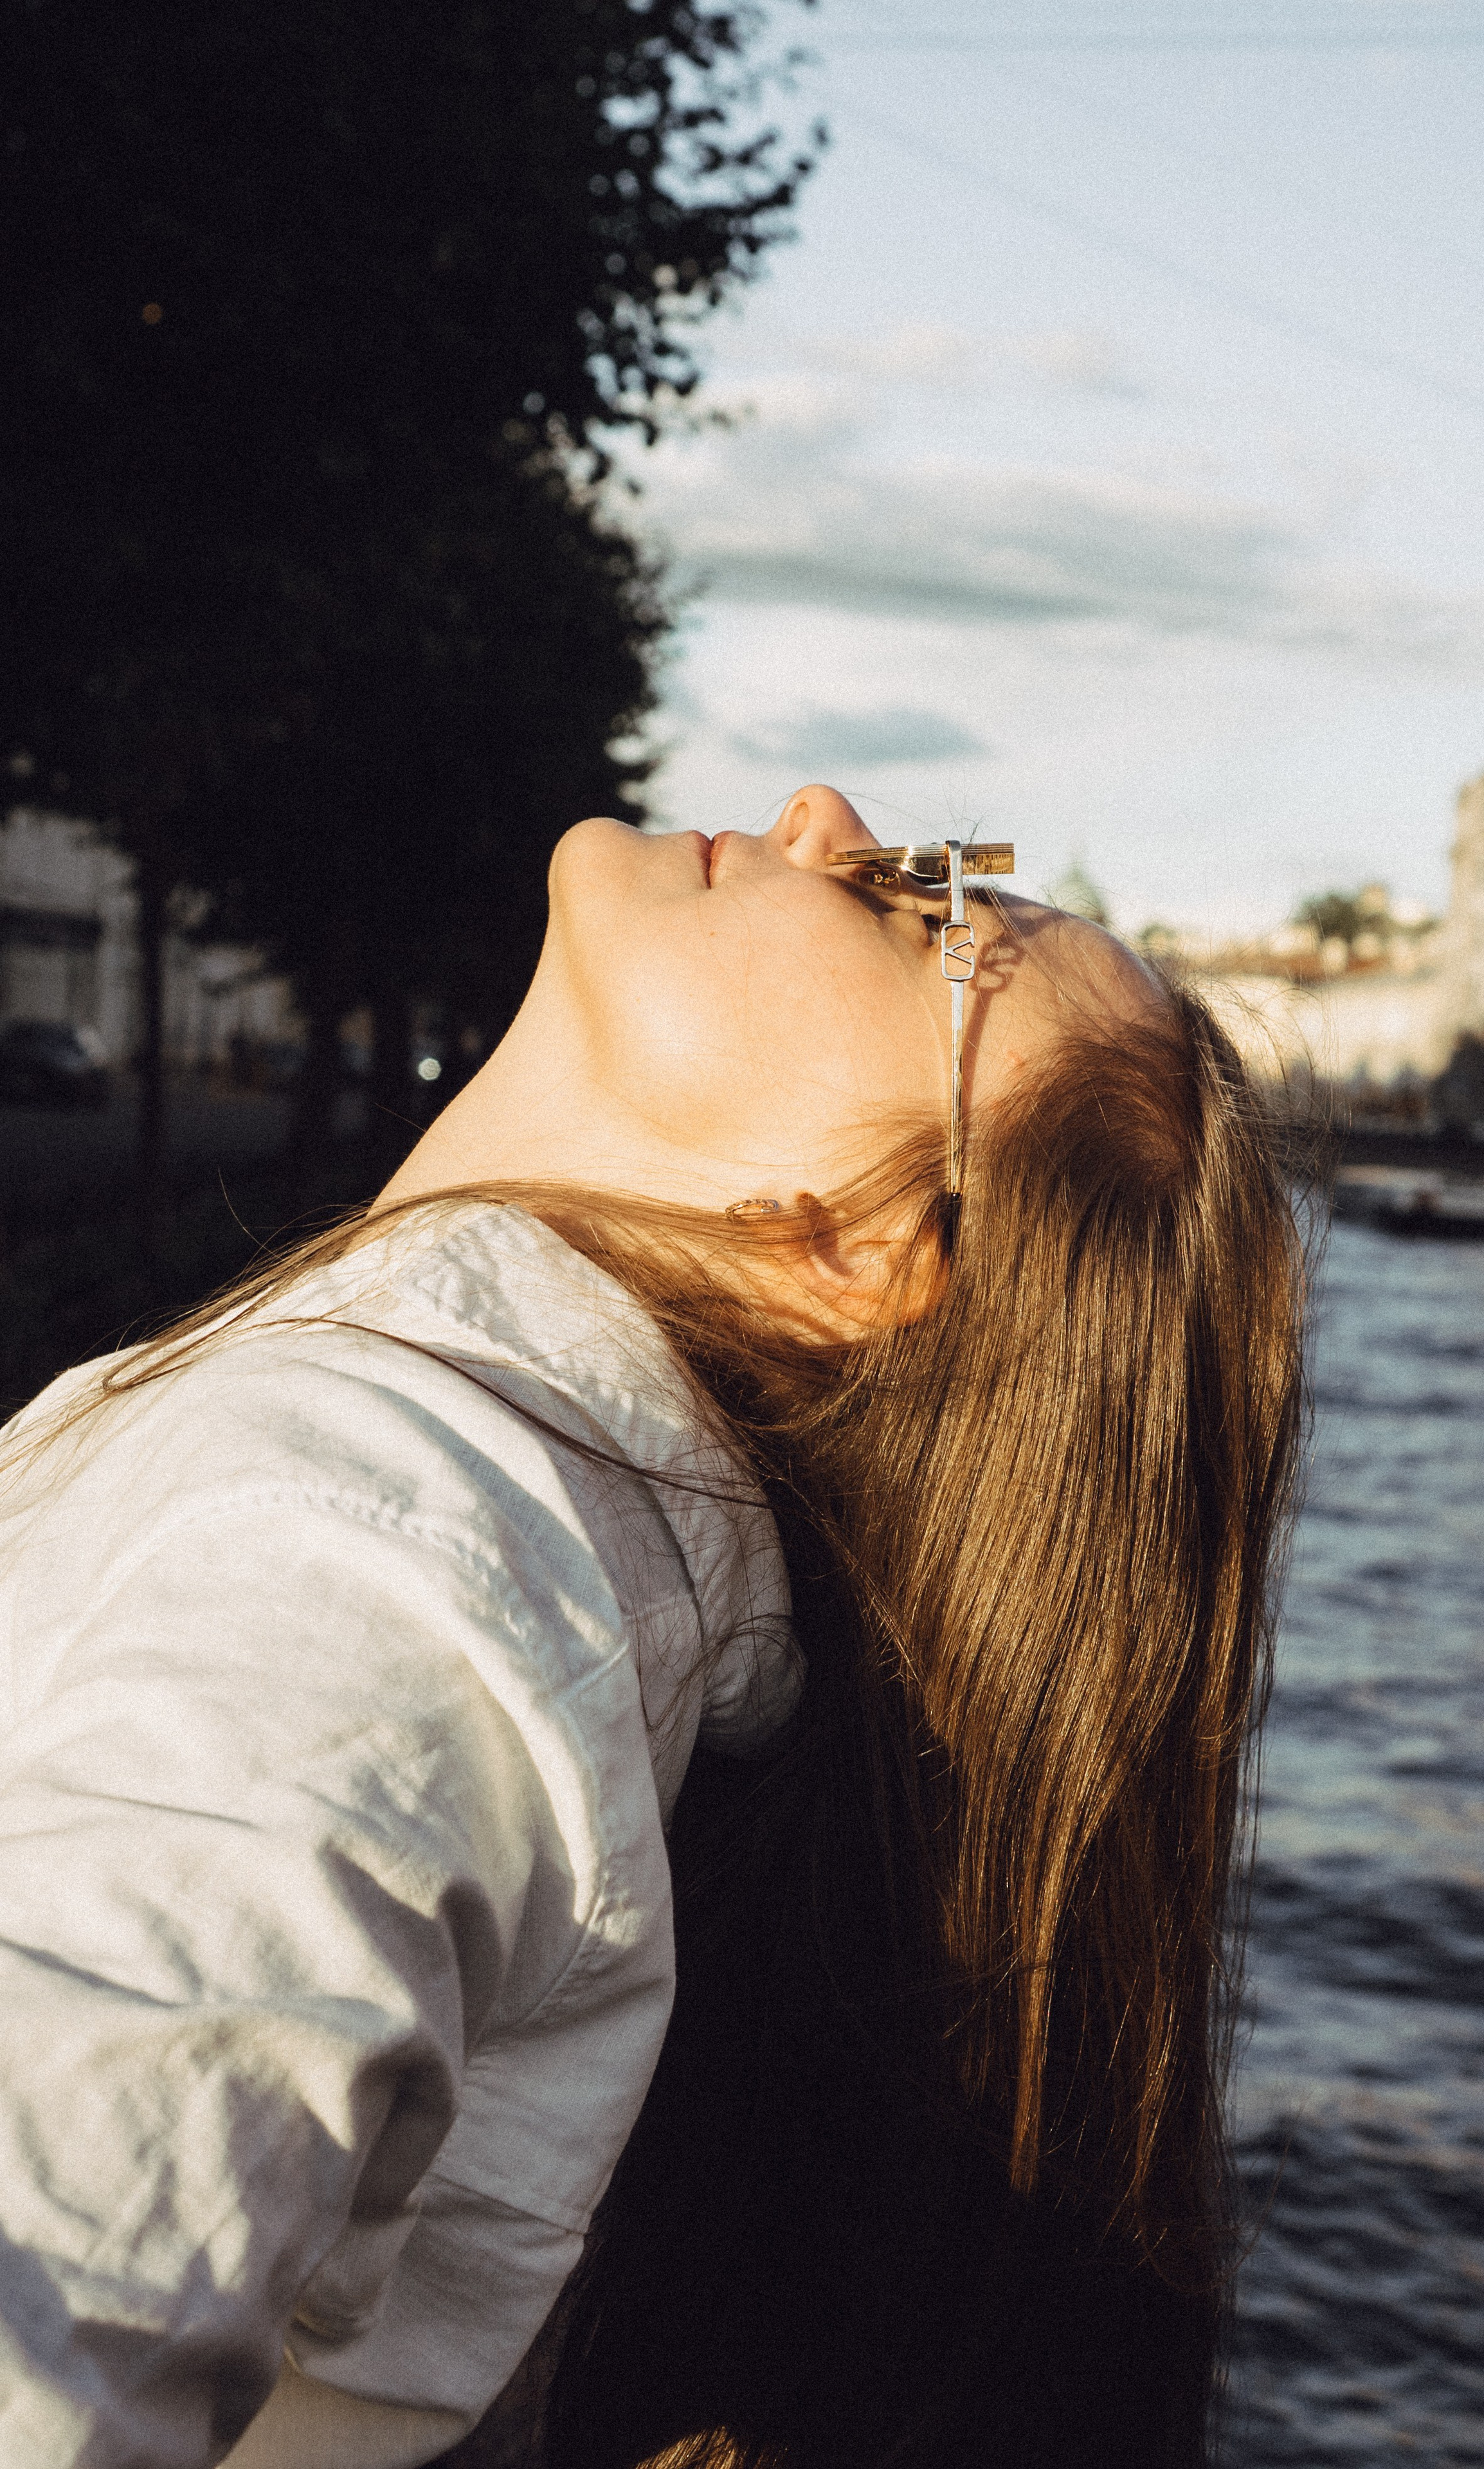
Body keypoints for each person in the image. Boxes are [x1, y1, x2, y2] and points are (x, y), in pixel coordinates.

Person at [0, 786, 1305, 2469]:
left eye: (931, 916)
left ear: (856, 1248)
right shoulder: (504, 1562)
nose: (826, 819)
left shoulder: (380, 1548)